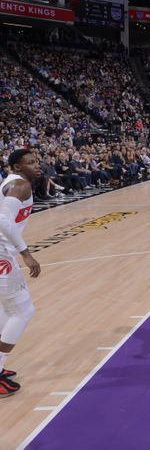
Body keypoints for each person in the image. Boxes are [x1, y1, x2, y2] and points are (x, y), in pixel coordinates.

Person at [0, 149, 43, 397]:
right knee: (23, 310)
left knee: (6, 310)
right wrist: (25, 252)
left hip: (4, 252)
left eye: (37, 161)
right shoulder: (19, 186)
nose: (37, 165)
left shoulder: (13, 182)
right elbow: (3, 221)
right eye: (30, 162)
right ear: (17, 167)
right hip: (3, 254)